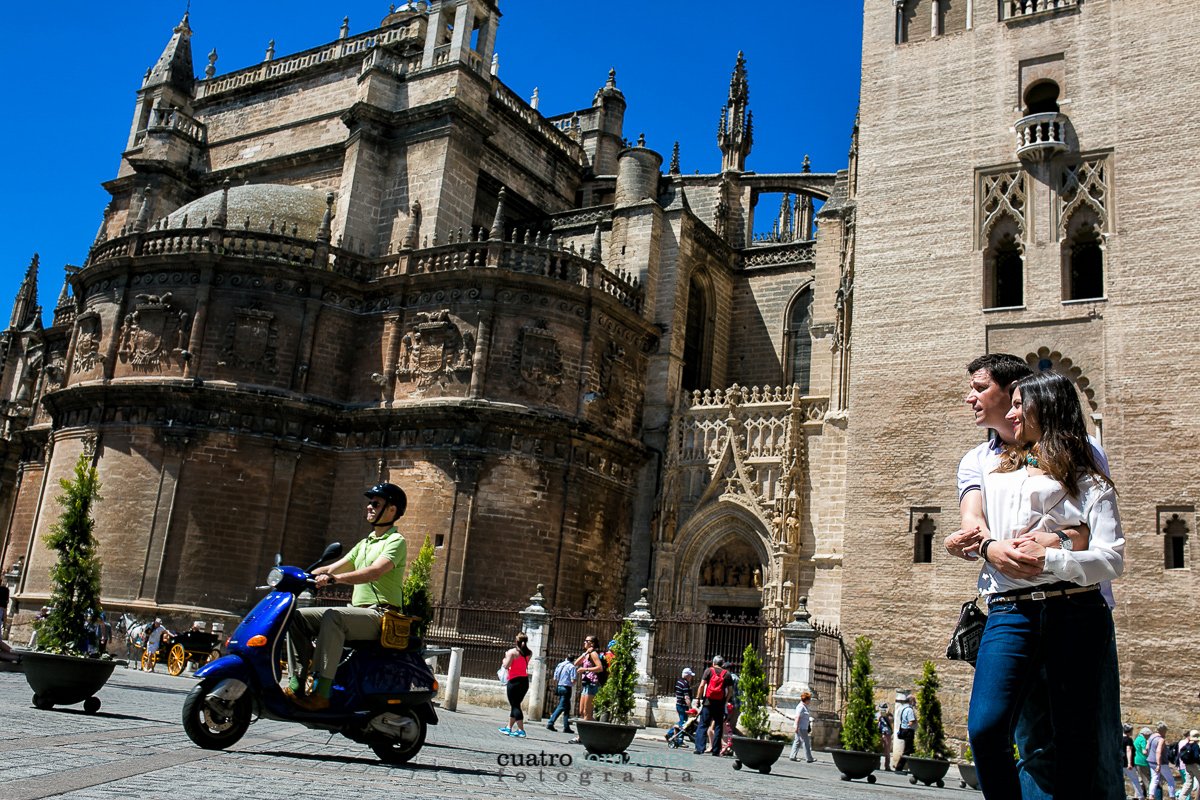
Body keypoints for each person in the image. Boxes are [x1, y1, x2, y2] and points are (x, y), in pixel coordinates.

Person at [945, 354, 1123, 799]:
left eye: (982, 388)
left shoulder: (1088, 465)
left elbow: (1098, 540)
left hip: (1078, 608)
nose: (973, 398)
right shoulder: (984, 465)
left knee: (1082, 742)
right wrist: (982, 545)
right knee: (990, 729)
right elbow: (976, 520)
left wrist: (1056, 548)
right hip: (1010, 609)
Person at [286, 482, 409, 711]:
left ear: (391, 510)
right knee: (296, 617)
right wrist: (298, 575)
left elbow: (375, 571)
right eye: (369, 503)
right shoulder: (365, 543)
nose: (369, 507)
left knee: (334, 616)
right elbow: (334, 567)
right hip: (358, 612)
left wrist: (335, 580)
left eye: (376, 503)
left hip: (380, 614)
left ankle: (321, 693)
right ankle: (297, 681)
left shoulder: (395, 541)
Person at [694, 654, 730, 757]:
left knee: (703, 725)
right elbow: (730, 691)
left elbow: (701, 686)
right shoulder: (726, 674)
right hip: (719, 703)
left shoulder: (708, 671)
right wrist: (725, 701)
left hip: (708, 702)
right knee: (718, 726)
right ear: (722, 664)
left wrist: (698, 698)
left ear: (713, 663)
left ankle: (699, 748)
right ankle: (715, 750)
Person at [498, 632, 532, 737]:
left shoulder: (512, 652)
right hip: (524, 681)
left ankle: (521, 730)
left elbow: (506, 665)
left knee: (515, 705)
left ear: (516, 641)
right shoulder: (529, 653)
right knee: (516, 704)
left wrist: (504, 659)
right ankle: (509, 727)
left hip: (514, 681)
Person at [574, 635, 604, 722]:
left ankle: (592, 732)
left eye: (586, 641)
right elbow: (576, 663)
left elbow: (600, 668)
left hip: (592, 684)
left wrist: (585, 669)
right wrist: (586, 653)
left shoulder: (594, 654)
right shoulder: (587, 654)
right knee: (582, 712)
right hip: (586, 683)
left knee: (587, 713)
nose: (584, 642)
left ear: (592, 643)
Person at [546, 655, 576, 733]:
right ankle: (550, 722)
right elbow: (573, 680)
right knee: (561, 706)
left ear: (566, 658)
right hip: (566, 688)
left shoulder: (560, 665)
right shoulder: (572, 667)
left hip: (559, 686)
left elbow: (555, 678)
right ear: (573, 660)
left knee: (567, 707)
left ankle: (566, 726)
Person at [1148, 723, 1177, 800]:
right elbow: (1158, 751)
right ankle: (1172, 797)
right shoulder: (1161, 739)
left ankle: (1151, 796)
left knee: (1154, 779)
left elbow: (1146, 748)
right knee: (1170, 780)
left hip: (1151, 761)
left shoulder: (1151, 737)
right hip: (1161, 763)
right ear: (1163, 730)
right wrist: (1158, 764)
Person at [1123, 723, 1147, 800]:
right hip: (1127, 763)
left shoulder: (1118, 738)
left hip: (1120, 763)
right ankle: (1140, 796)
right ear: (1129, 731)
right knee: (1135, 780)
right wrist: (1129, 763)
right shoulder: (1128, 739)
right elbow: (1128, 750)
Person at [789, 690, 814, 762]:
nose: (810, 701)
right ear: (806, 700)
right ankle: (809, 758)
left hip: (803, 727)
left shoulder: (804, 706)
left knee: (797, 741)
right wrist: (796, 726)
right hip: (801, 727)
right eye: (809, 699)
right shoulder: (801, 707)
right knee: (806, 742)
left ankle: (792, 756)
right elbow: (797, 717)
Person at [895, 693, 917, 773]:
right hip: (908, 731)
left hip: (903, 730)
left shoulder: (902, 708)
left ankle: (910, 767)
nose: (915, 703)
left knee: (910, 750)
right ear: (911, 701)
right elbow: (911, 722)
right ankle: (899, 768)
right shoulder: (909, 710)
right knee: (907, 751)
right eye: (914, 701)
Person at [1179, 729, 1200, 800]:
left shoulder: (1187, 745)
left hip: (1187, 766)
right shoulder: (1195, 746)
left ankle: (1181, 798)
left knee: (1188, 783)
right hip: (1195, 766)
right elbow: (1196, 757)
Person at [1135, 726, 1154, 794]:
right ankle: (1150, 795)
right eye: (1148, 735)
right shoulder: (1143, 740)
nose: (1149, 737)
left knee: (1140, 779)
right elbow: (1144, 751)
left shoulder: (1137, 739)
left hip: (1136, 761)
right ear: (1145, 734)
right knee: (1146, 779)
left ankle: (1138, 795)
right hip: (1142, 761)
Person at [878, 702, 895, 771]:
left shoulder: (889, 715)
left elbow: (892, 720)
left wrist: (886, 715)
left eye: (884, 709)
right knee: (878, 749)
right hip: (879, 733)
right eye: (882, 709)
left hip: (886, 733)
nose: (883, 711)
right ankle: (877, 764)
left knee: (887, 751)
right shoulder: (877, 714)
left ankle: (887, 766)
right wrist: (879, 716)